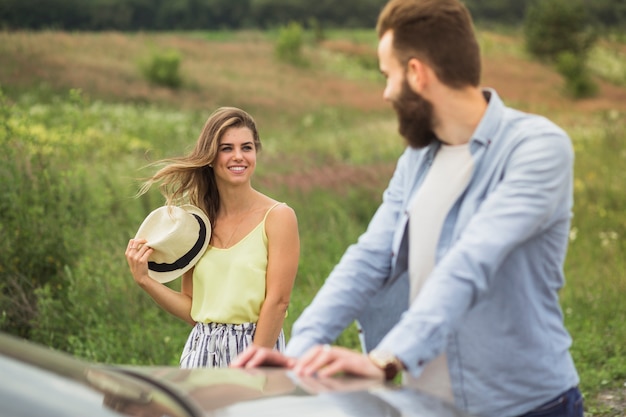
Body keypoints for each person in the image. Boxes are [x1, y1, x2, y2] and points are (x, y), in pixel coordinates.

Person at [231, 1, 583, 416]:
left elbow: (470, 262)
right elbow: (370, 258)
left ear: (416, 74)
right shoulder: (418, 160)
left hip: (527, 406)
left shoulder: (536, 148)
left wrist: (387, 357)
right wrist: (301, 352)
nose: (386, 93)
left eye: (388, 76)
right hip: (428, 406)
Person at [126, 106, 300, 368]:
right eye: (226, 148)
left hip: (256, 350)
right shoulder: (198, 226)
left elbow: (278, 302)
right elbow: (193, 309)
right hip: (201, 351)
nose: (238, 156)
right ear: (210, 156)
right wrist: (145, 281)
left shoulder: (278, 217)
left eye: (247, 147)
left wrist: (251, 368)